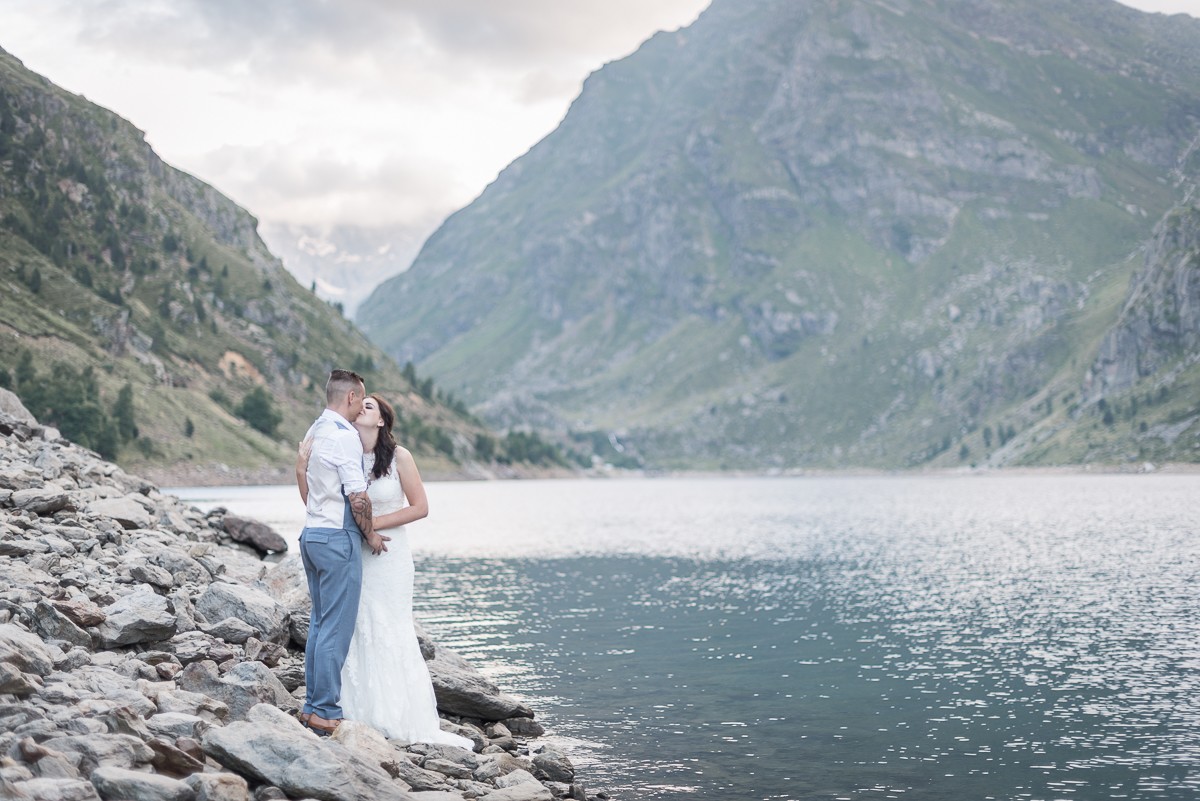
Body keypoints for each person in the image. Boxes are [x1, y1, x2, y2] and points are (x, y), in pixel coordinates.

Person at [298, 392, 473, 748]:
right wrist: (301, 468)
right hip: (353, 550)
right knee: (353, 625)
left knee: (388, 627)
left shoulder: (399, 457)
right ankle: (351, 706)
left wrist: (373, 525)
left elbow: (420, 507)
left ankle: (397, 712)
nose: (362, 405)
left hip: (389, 555)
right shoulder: (343, 451)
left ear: (381, 420)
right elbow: (315, 500)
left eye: (371, 405)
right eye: (359, 402)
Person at [296, 369, 387, 737]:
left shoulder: (314, 430)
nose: (358, 408)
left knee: (319, 624)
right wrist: (372, 536)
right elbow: (357, 496)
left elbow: (308, 491)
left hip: (312, 534)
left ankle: (312, 706)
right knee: (336, 628)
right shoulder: (345, 436)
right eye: (359, 399)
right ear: (350, 397)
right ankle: (326, 710)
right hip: (337, 539)